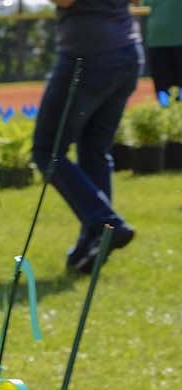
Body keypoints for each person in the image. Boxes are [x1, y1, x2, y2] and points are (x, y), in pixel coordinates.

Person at [31, 0, 143, 273]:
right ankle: (92, 246)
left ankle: (106, 224)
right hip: (127, 50)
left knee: (47, 150)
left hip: (88, 56)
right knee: (94, 150)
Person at [149, 0, 182, 100]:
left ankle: (164, 98)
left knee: (161, 81)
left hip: (158, 39)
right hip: (157, 40)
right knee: (162, 81)